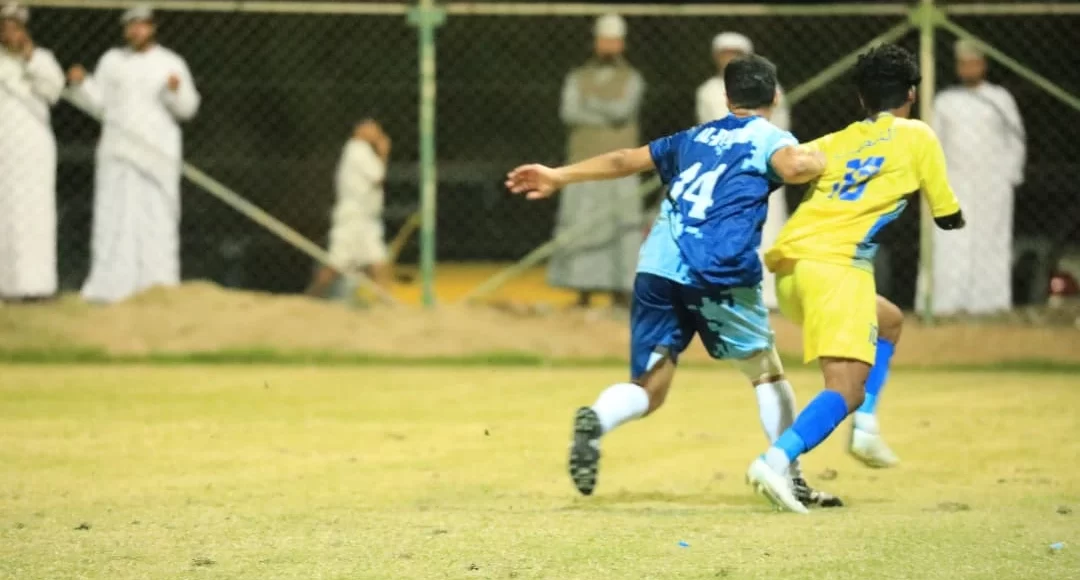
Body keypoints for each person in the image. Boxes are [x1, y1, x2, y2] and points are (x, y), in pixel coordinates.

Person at [507, 55, 841, 508]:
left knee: (651, 387)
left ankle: (597, 418)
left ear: (727, 97)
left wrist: (558, 175)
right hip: (719, 270)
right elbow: (793, 167)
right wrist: (824, 159)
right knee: (766, 373)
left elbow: (624, 159)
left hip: (659, 266)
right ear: (776, 96)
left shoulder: (693, 137)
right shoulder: (770, 137)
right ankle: (790, 475)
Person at [747, 44, 965, 513]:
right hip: (837, 270)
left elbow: (794, 166)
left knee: (889, 321)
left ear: (861, 99)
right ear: (911, 94)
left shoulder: (835, 140)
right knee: (844, 388)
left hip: (792, 270)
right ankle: (774, 461)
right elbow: (946, 213)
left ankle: (865, 428)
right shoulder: (917, 134)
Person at [68, 4, 200, 304]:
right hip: (118, 154)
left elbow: (188, 108)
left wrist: (175, 91)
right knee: (114, 220)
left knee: (157, 221)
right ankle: (110, 289)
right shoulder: (111, 61)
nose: (136, 30)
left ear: (152, 27)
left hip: (157, 157)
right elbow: (99, 104)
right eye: (131, 25)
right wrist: (82, 84)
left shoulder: (171, 62)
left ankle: (158, 286)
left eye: (142, 24)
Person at [548, 13, 645, 310]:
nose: (609, 46)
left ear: (622, 44)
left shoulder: (632, 79)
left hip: (621, 166)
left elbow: (622, 111)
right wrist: (605, 109)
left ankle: (621, 292)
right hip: (584, 162)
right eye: (604, 40)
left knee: (622, 227)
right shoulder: (577, 77)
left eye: (614, 41)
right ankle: (583, 291)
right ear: (595, 42)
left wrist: (589, 104)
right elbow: (569, 112)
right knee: (582, 224)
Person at [926, 40, 1025, 316]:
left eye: (973, 63)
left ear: (983, 65)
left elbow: (1016, 140)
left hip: (993, 183)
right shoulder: (945, 101)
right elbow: (933, 143)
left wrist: (1009, 176)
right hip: (955, 183)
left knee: (991, 241)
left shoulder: (1000, 98)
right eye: (963, 63)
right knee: (952, 242)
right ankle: (946, 305)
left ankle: (990, 304)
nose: (968, 68)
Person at [696, 32, 791, 309]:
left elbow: (781, 128)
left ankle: (768, 295)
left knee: (768, 230)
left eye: (734, 53)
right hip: (724, 170)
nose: (729, 59)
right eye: (724, 53)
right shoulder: (707, 90)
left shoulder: (771, 87)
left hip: (764, 168)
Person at [0, 2, 64, 302]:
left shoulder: (42, 58)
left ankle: (38, 286)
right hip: (4, 149)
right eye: (5, 27)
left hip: (34, 151)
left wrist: (29, 56)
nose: (10, 33)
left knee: (36, 216)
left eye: (15, 27)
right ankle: (7, 286)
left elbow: (54, 90)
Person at [307, 120, 392, 300]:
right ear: (360, 131)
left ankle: (386, 302)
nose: (378, 132)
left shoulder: (359, 151)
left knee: (377, 260)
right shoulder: (358, 150)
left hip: (365, 218)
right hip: (354, 218)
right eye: (373, 129)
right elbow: (378, 176)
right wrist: (384, 153)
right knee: (336, 264)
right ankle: (311, 298)